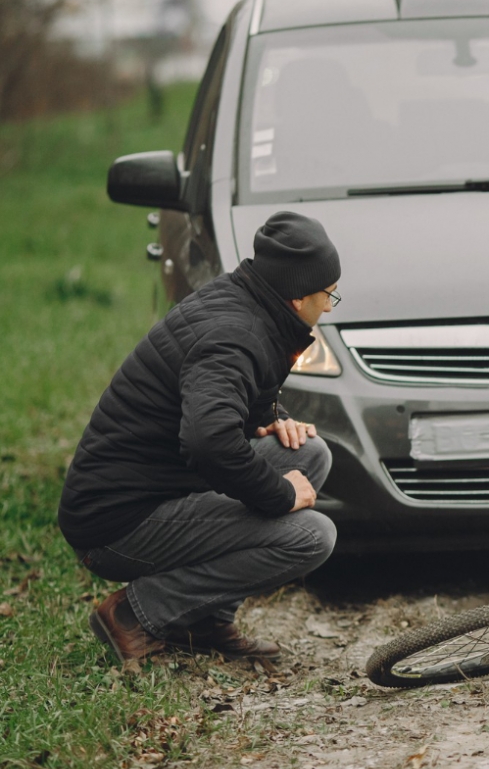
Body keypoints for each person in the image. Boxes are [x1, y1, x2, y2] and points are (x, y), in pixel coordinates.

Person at [59, 212, 342, 663]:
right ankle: (135, 614)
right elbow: (207, 442)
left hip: (154, 490)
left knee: (308, 454)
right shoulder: (233, 335)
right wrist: (280, 494)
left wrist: (272, 416)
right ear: (295, 298)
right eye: (327, 295)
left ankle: (205, 620)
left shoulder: (248, 302)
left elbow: (228, 393)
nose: (328, 307)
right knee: (311, 535)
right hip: (115, 523)